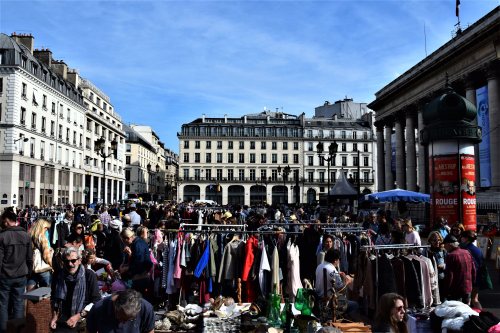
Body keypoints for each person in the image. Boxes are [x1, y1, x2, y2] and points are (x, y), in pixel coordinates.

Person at [50, 247, 101, 333]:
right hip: (64, 317)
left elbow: (96, 300)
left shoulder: (89, 275)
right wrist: (54, 317)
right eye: (67, 261)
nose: (70, 264)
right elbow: (53, 298)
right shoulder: (58, 275)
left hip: (84, 316)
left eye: (73, 261)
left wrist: (78, 316)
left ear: (79, 260)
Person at [0, 210, 33, 333]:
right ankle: (15, 330)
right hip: (21, 275)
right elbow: (30, 257)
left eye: (1, 219)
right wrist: (28, 273)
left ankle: (4, 330)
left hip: (5, 276)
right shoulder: (25, 235)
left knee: (3, 305)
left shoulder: (2, 236)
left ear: (7, 220)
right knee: (18, 305)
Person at [86, 289, 154, 333]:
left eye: (130, 319)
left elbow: (149, 331)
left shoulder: (146, 308)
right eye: (121, 318)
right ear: (115, 305)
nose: (124, 323)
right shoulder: (97, 310)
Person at [314, 249, 359, 315]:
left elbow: (328, 276)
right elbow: (341, 290)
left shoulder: (319, 266)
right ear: (335, 260)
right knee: (355, 305)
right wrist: (346, 281)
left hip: (319, 300)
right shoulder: (332, 270)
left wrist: (338, 274)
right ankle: (346, 322)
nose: (338, 261)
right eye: (339, 259)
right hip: (328, 303)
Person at [119, 228, 152, 297]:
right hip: (140, 277)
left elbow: (139, 263)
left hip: (141, 278)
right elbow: (136, 261)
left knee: (138, 299)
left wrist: (126, 268)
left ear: (128, 238)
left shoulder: (138, 245)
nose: (124, 243)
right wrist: (126, 265)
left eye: (124, 241)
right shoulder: (137, 243)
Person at [443, 234, 475, 304]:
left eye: (445, 245)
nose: (444, 247)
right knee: (466, 311)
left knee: (457, 311)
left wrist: (446, 290)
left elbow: (449, 275)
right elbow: (473, 270)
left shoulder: (451, 256)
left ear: (449, 244)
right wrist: (472, 283)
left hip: (456, 289)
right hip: (468, 287)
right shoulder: (467, 252)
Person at [27, 219, 53, 290]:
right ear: (42, 227)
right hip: (42, 267)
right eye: (46, 228)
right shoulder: (42, 236)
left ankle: (27, 301)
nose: (47, 230)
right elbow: (46, 255)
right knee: (43, 292)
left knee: (30, 290)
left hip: (32, 266)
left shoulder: (30, 235)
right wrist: (51, 265)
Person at [422, 231, 447, 303]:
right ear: (430, 241)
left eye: (439, 240)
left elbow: (449, 263)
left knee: (442, 298)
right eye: (435, 240)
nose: (437, 242)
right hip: (431, 278)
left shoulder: (443, 250)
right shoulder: (426, 251)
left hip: (441, 277)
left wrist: (444, 266)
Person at [460, 230, 483, 309]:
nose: (461, 238)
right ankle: (481, 315)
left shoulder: (465, 250)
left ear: (467, 238)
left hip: (469, 276)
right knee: (475, 299)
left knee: (468, 299)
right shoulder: (478, 249)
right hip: (478, 275)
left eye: (463, 237)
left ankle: (469, 317)